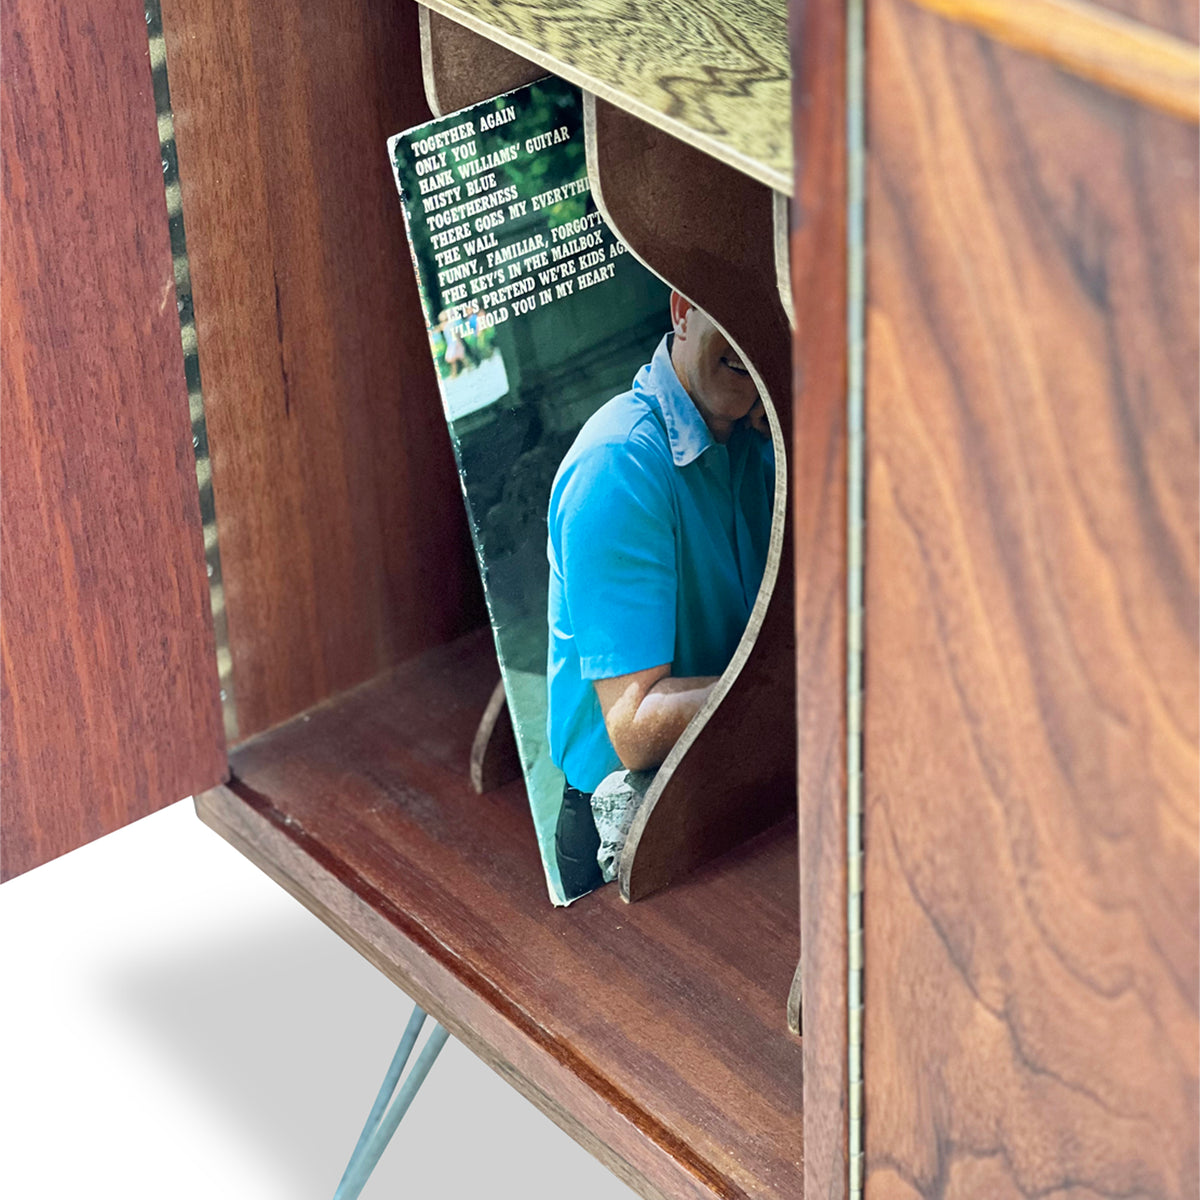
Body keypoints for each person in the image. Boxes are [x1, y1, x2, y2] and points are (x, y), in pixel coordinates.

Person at [545, 291, 775, 899]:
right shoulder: (619, 462)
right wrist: (795, 688)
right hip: (620, 832)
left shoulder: (759, 440)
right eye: (736, 314)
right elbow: (637, 723)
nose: (754, 340)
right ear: (681, 310)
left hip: (722, 778)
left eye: (772, 321)